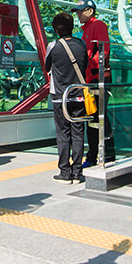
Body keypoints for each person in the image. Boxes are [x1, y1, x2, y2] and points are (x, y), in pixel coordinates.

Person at [71, 0, 115, 166]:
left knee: (97, 117)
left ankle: (99, 154)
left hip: (99, 78)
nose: (79, 14)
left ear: (90, 11)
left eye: (81, 11)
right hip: (90, 79)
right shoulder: (85, 29)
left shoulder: (98, 25)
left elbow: (104, 51)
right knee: (94, 117)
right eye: (77, 12)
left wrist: (89, 65)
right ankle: (100, 153)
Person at [45, 12, 88, 184]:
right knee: (78, 133)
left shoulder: (53, 46)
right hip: (78, 95)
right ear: (72, 27)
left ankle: (64, 171)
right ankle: (77, 173)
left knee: (63, 133)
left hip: (60, 97)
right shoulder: (81, 44)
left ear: (56, 29)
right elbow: (83, 64)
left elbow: (47, 66)